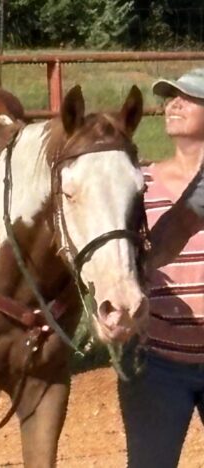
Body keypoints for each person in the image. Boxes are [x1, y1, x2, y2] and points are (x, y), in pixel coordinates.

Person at [118, 68, 204, 468]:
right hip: (157, 362)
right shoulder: (139, 185)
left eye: (188, 97)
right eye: (171, 96)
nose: (174, 103)